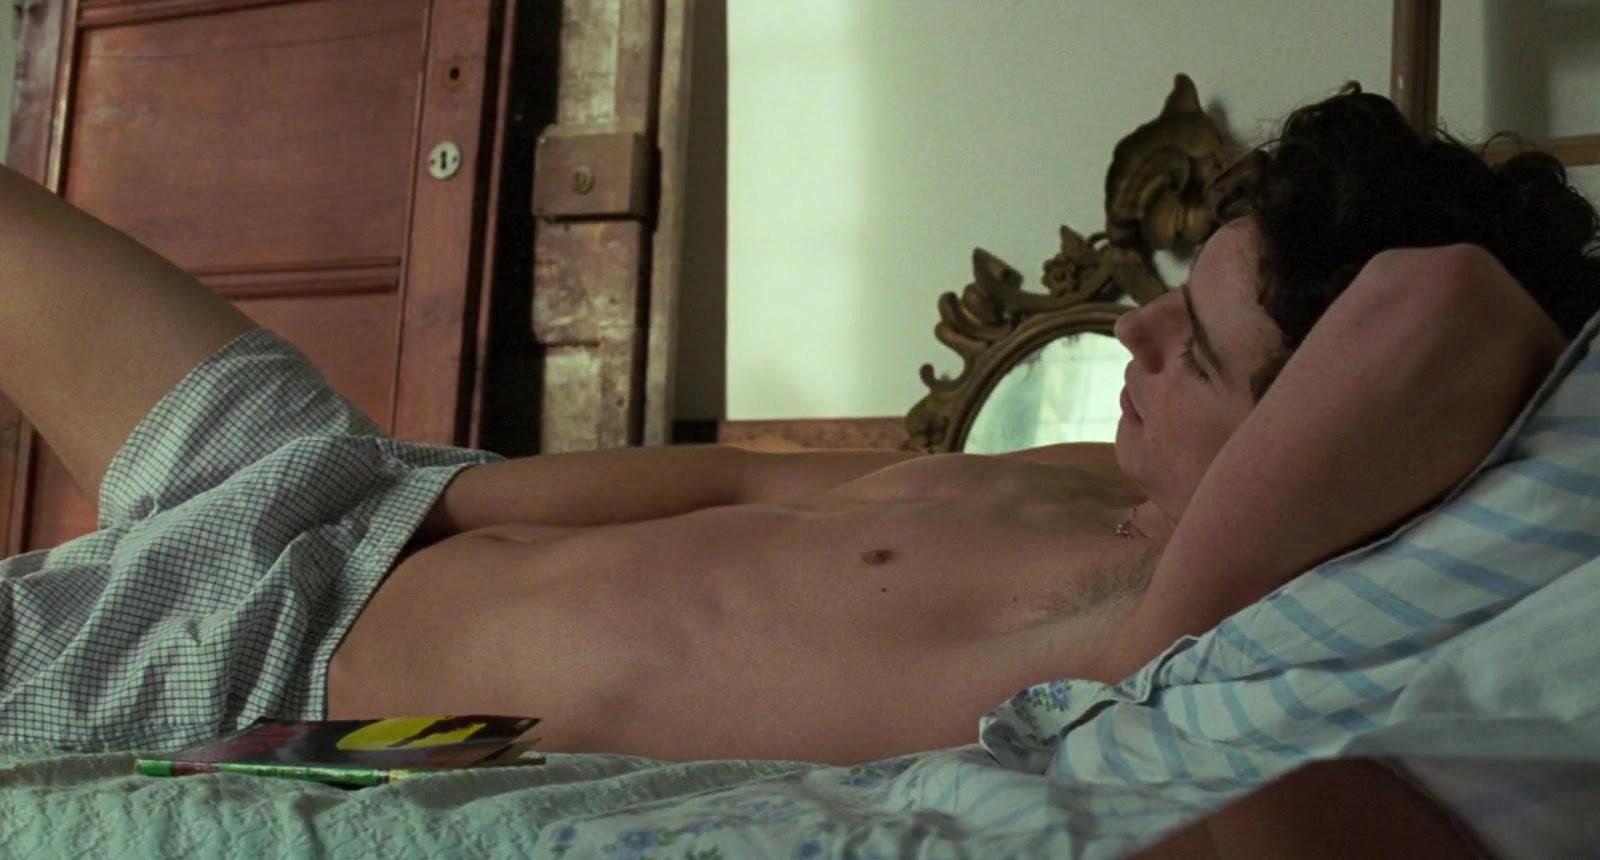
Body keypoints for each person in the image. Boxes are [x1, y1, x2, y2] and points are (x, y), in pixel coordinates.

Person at [0, 86, 1592, 852]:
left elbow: (1453, 309)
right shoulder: (1078, 484)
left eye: (1203, 352)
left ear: (1314, 427)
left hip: (267, 691)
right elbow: (753, 492)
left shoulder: (1151, 624)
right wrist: (423, 494)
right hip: (345, 512)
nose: (1137, 330)